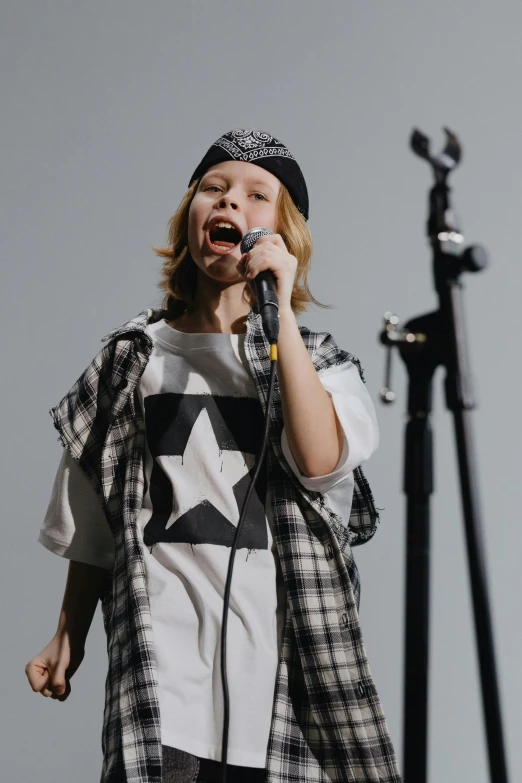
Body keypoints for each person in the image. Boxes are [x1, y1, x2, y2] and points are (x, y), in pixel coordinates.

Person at [25, 129, 401, 783]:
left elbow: (320, 462)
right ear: (191, 217)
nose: (232, 202)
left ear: (285, 234)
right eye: (214, 188)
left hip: (282, 688)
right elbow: (94, 520)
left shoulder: (318, 363)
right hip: (162, 686)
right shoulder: (133, 359)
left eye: (259, 195)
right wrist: (68, 633)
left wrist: (277, 313)